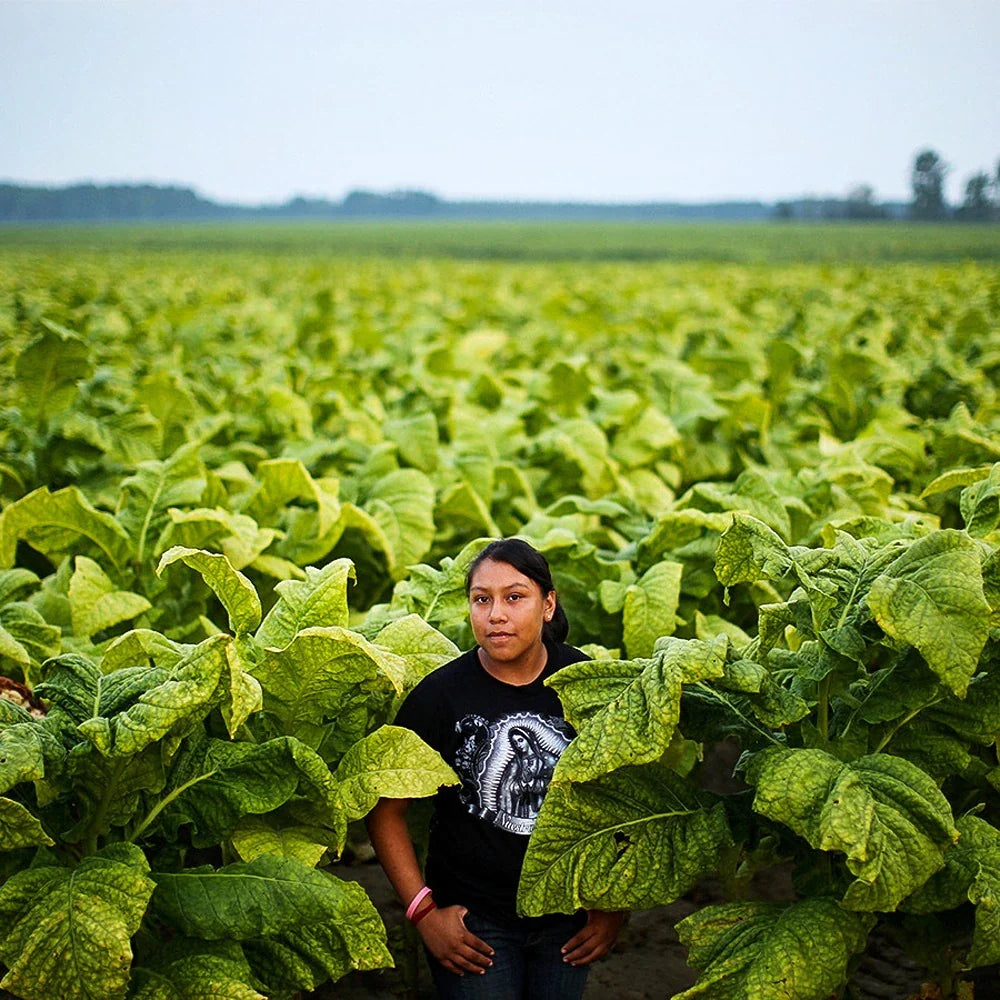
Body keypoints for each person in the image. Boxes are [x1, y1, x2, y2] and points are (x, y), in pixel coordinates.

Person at [366, 537, 625, 999]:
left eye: (514, 597)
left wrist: (614, 905)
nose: (496, 615)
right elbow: (386, 811)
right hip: (473, 922)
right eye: (481, 599)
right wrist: (424, 914)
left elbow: (621, 801)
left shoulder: (584, 683)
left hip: (566, 916)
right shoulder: (440, 696)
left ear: (548, 605)